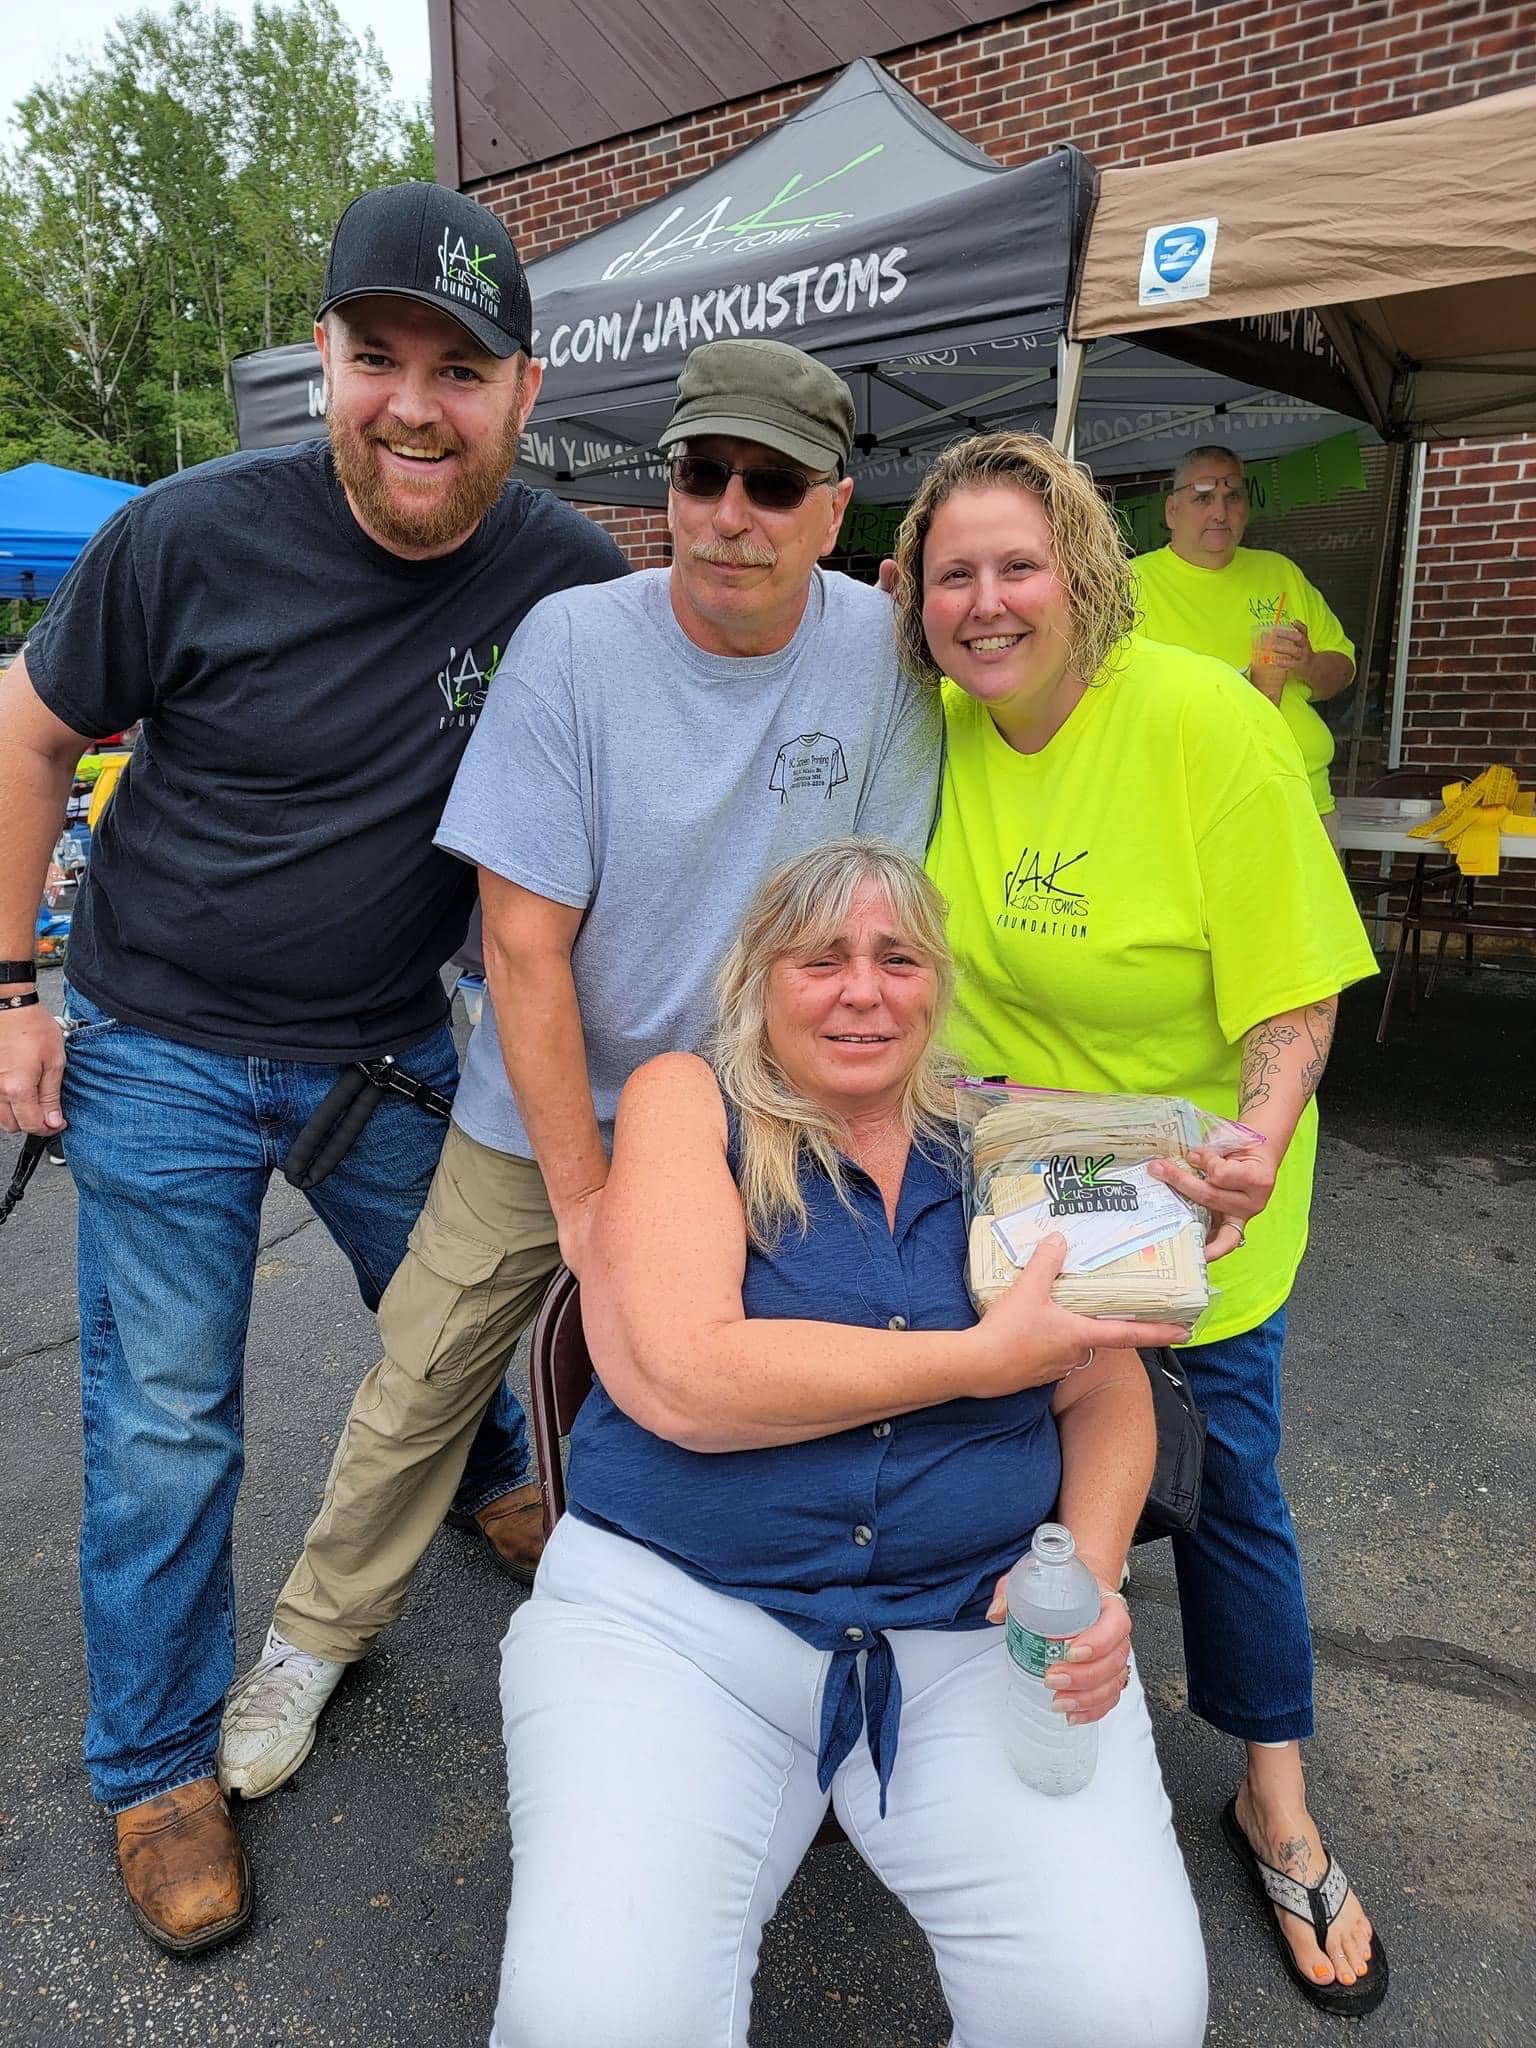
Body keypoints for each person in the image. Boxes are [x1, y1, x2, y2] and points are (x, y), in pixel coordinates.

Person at [0, 179, 628, 1955]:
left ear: (523, 387)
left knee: (465, 1307)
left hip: (385, 1041)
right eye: (375, 356)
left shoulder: (572, 576)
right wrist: (8, 988)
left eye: (458, 365)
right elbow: (26, 729)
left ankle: (493, 1466)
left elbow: (707, 678)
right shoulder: (183, 535)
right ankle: (151, 1765)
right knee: (166, 1422)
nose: (412, 402)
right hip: (159, 1049)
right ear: (326, 366)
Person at [220, 339, 944, 1812]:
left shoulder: (885, 653)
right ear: (667, 488)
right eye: (701, 475)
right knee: (427, 1369)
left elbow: (869, 924)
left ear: (834, 509)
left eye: (773, 483)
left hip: (770, 1114)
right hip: (555, 1098)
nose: (729, 512)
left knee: (777, 1382)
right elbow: (522, 946)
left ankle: (760, 1647)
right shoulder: (572, 644)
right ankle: (314, 1635)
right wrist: (594, 1203)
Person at [491, 838, 1207, 2048]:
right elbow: (683, 1373)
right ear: (758, 978)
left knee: (1121, 2014)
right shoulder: (687, 1098)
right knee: (595, 2020)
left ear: (937, 982)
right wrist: (978, 1362)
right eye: (820, 958)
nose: (863, 989)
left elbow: (1105, 1389)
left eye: (898, 957)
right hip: (676, 1623)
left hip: (976, 1631)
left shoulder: (1010, 1142)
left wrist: (1081, 1573)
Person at [897, 430, 1387, 2018]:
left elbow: (1297, 986)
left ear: (1087, 574)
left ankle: (1276, 1798)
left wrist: (1259, 1130)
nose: (984, 604)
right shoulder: (937, 731)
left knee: (1230, 1491)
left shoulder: (1204, 723)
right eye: (953, 574)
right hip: (1020, 1169)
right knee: (1004, 1445)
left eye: (1017, 566)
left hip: (1194, 1204)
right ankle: (984, 1739)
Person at [1131, 443, 1357, 842]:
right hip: (1195, 808)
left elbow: (1342, 670)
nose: (1220, 512)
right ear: (1171, 511)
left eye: (1232, 495)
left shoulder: (1279, 572)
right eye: (1203, 497)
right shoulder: (1131, 584)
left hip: (1304, 798)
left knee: (1311, 908)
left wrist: (1307, 663)